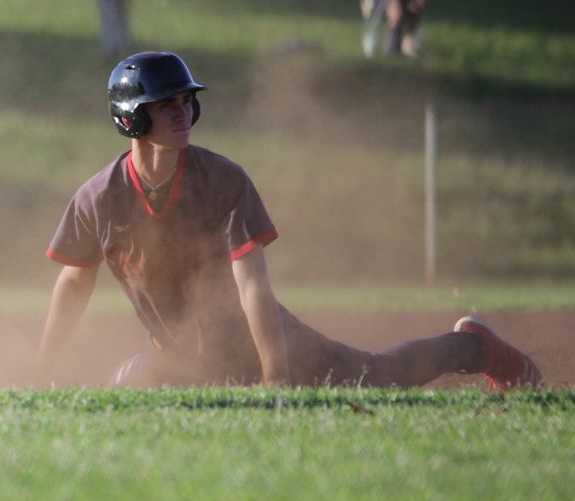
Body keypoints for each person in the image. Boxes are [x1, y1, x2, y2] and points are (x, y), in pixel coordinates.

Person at [36, 51, 542, 390]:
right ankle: (139, 372)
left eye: (187, 102)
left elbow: (253, 287)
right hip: (180, 356)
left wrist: (275, 378)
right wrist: (44, 369)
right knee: (131, 396)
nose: (183, 113)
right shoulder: (99, 198)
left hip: (266, 341)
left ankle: (476, 348)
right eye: (166, 105)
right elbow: (74, 284)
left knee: (379, 376)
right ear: (131, 117)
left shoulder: (223, 181)